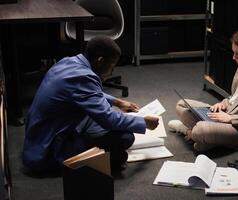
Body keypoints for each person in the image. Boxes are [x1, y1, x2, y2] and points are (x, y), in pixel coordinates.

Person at [23, 36, 159, 172]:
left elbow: (87, 92)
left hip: (38, 136)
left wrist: (117, 102)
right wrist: (144, 122)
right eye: (112, 65)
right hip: (48, 151)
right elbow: (109, 119)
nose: (112, 71)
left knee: (111, 123)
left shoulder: (69, 62)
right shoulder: (84, 77)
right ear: (100, 61)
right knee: (125, 138)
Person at [168, 27, 238, 152]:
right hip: (225, 114)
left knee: (200, 130)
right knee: (181, 105)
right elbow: (234, 97)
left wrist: (231, 119)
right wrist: (222, 103)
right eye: (233, 52)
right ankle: (207, 137)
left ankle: (191, 132)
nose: (233, 57)